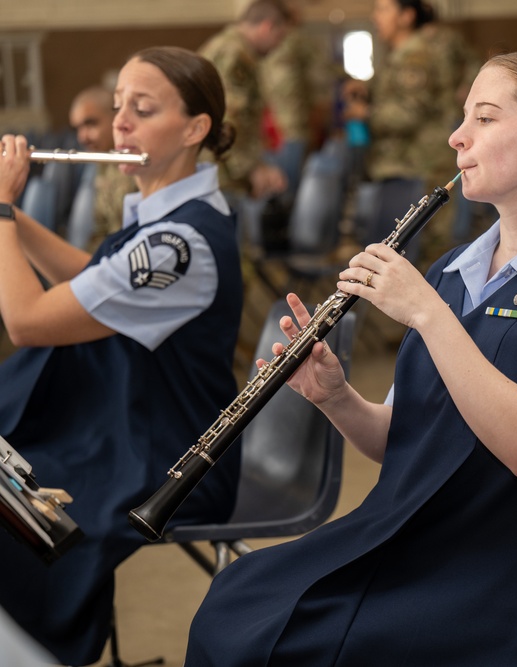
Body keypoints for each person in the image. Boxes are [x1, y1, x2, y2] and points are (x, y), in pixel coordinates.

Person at [185, 49, 517, 665]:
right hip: (428, 536)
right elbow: (400, 438)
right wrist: (336, 397)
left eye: (485, 119)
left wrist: (428, 315)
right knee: (235, 601)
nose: (457, 137)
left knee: (279, 639)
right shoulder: (453, 271)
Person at [0, 46, 244, 665]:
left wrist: (1, 213)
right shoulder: (161, 220)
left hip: (167, 459)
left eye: (143, 108)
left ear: (195, 129)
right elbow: (93, 279)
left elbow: (26, 323)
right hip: (129, 427)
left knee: (17, 510)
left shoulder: (177, 244)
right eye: (117, 108)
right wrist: (17, 217)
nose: (120, 124)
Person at [343, 0, 458, 268]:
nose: (375, 17)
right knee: (402, 252)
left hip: (419, 168)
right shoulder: (400, 53)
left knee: (421, 257)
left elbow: (409, 113)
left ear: (406, 16)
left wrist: (366, 114)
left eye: (383, 9)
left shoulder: (416, 55)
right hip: (404, 167)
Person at [199, 0, 290, 200]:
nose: (278, 45)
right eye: (279, 37)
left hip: (224, 166)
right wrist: (250, 169)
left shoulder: (233, 48)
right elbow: (228, 116)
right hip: (221, 170)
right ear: (267, 27)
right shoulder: (234, 54)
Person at [68, 85, 138, 251]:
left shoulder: (139, 165)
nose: (82, 137)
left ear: (116, 116)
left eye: (91, 123)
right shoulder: (104, 165)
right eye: (78, 128)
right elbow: (101, 230)